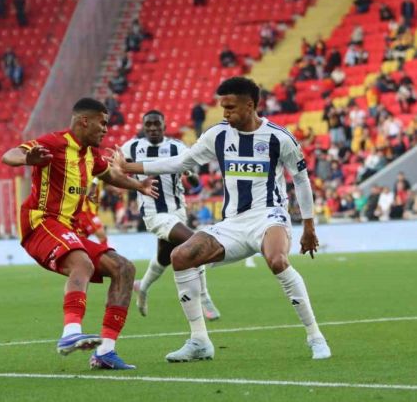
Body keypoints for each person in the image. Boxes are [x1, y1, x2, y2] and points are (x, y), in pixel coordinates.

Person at [112, 77, 331, 361]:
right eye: (223, 107)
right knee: (181, 256)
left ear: (249, 105)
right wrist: (129, 167)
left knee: (277, 260)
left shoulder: (279, 138)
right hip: (232, 224)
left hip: (269, 215)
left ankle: (315, 336)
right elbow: (182, 162)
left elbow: (301, 180)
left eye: (230, 107)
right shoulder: (217, 135)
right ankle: (199, 341)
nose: (225, 113)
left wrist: (309, 225)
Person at [1, 98, 159, 370]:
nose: (106, 129)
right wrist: (28, 159)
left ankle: (105, 352)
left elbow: (110, 175)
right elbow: (9, 154)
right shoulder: (54, 143)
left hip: (67, 229)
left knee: (124, 269)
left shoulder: (90, 155)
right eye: (102, 123)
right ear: (85, 121)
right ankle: (70, 333)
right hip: (41, 223)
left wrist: (139, 186)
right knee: (82, 263)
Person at [121, 110, 221, 320]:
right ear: (143, 127)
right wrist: (96, 184)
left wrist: (191, 176)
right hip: (154, 214)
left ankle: (142, 287)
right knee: (195, 242)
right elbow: (111, 165)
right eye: (148, 125)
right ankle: (205, 298)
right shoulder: (132, 147)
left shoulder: (177, 147)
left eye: (156, 124)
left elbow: (191, 175)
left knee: (163, 258)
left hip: (177, 211)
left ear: (164, 126)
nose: (152, 128)